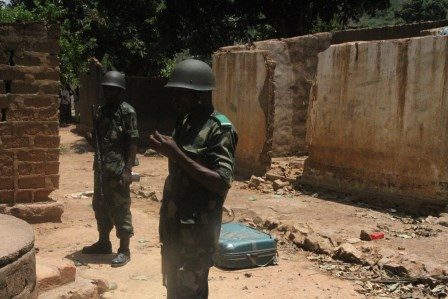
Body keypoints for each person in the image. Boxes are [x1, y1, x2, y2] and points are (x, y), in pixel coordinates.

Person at [149, 59, 238, 298]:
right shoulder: (186, 122)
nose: (175, 100)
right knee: (175, 292)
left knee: (191, 292)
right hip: (174, 229)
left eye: (182, 94)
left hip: (196, 235)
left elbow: (221, 183)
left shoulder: (219, 129)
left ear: (200, 95)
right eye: (174, 94)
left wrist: (176, 154)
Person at [82, 70, 139, 267]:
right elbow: (99, 142)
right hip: (101, 169)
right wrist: (90, 138)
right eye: (106, 89)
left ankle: (124, 249)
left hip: (118, 170)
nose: (108, 92)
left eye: (112, 89)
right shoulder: (101, 111)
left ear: (119, 91)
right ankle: (104, 243)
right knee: (100, 205)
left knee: (121, 208)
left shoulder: (127, 112)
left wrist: (128, 170)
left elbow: (133, 142)